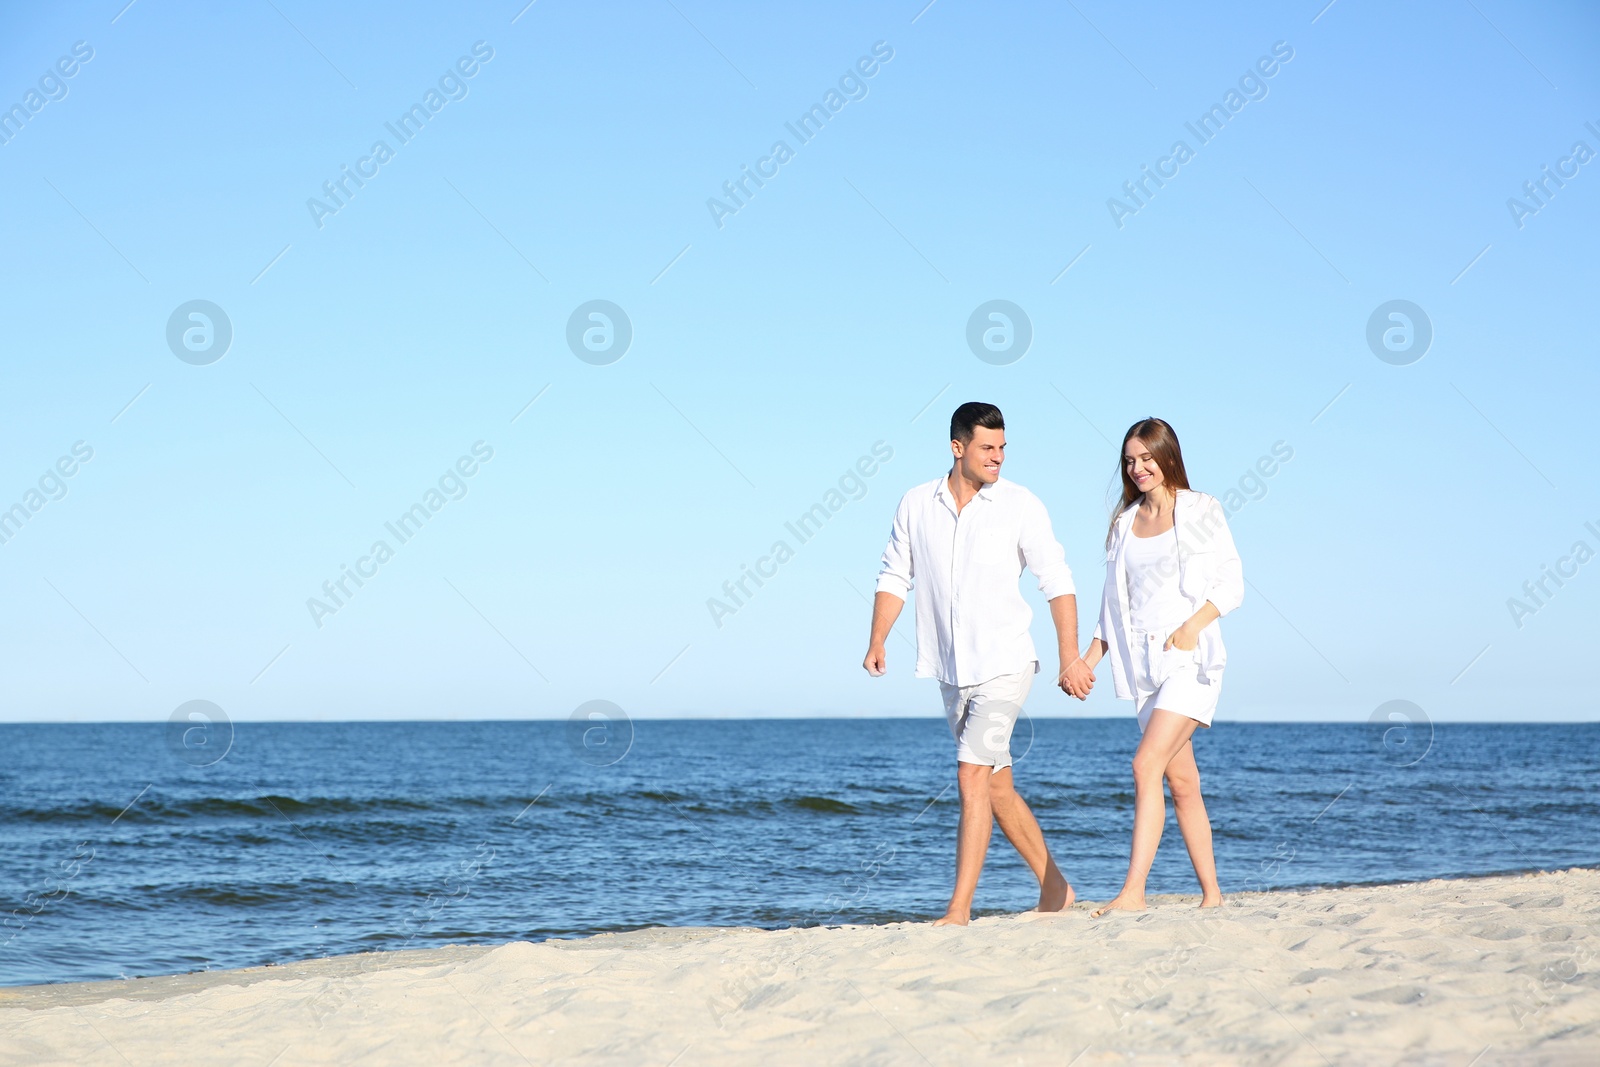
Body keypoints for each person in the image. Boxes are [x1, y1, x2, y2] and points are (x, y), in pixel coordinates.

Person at [863, 402, 1089, 925]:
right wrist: (878, 640)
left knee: (969, 774)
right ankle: (1056, 888)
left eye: (1003, 447)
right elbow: (896, 575)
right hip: (950, 669)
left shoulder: (1020, 504)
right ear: (957, 447)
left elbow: (1058, 581)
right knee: (996, 785)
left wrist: (1068, 657)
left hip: (1005, 662)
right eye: (988, 447)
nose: (998, 458)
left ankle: (958, 910)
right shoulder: (917, 504)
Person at [1072, 418, 1242, 916]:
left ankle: (1133, 894)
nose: (1138, 468)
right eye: (1129, 460)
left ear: (1167, 456)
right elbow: (1114, 606)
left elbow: (1231, 583)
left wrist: (1192, 627)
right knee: (1182, 783)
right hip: (1142, 666)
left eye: (1147, 457)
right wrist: (1089, 659)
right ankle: (1212, 895)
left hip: (1189, 659)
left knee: (1144, 765)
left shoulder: (1201, 509)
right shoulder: (1124, 523)